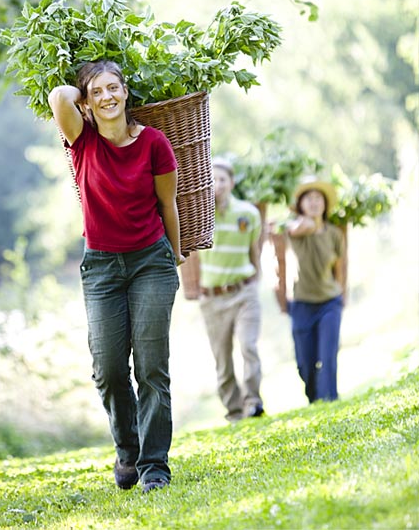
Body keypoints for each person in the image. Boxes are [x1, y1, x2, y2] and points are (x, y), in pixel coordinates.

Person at [48, 60, 182, 495]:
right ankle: (127, 450)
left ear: (127, 93)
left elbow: (169, 205)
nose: (106, 97)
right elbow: (57, 97)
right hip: (102, 268)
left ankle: (154, 467)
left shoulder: (155, 144)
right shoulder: (81, 140)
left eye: (113, 88)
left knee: (151, 368)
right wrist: (81, 93)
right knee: (107, 369)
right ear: (86, 102)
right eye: (97, 92)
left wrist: (175, 255)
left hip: (150, 263)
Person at [179, 158, 265, 423]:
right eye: (212, 179)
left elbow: (255, 253)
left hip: (243, 293)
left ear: (232, 183)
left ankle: (253, 401)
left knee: (248, 346)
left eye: (222, 180)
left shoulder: (248, 213)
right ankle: (234, 411)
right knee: (222, 359)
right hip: (212, 298)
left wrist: (254, 280)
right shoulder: (201, 216)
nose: (217, 185)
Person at [273, 175, 346, 403]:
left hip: (329, 302)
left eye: (318, 198)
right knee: (305, 363)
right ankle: (315, 399)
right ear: (301, 204)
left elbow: (340, 267)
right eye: (309, 198)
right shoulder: (292, 229)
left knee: (328, 356)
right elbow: (294, 229)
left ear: (325, 204)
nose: (314, 203)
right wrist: (306, 224)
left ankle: (330, 400)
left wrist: (341, 293)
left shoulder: (334, 233)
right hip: (301, 304)